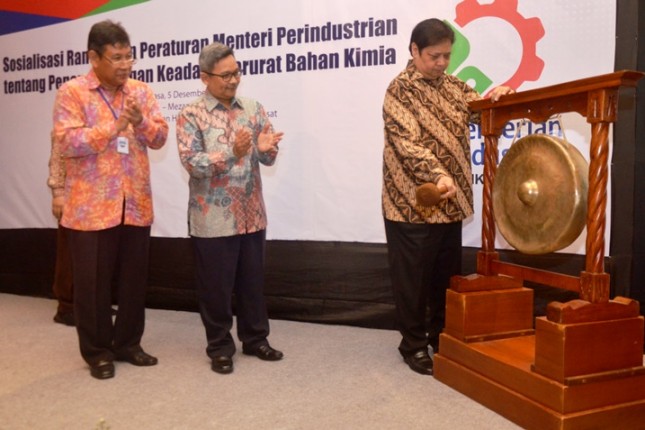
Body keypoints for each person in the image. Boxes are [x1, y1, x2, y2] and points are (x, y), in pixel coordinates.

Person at [381, 18, 514, 375]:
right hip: (411, 203)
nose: (441, 63)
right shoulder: (399, 90)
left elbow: (482, 110)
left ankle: (440, 336)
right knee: (413, 282)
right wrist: (437, 173)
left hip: (449, 203)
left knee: (445, 277)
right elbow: (407, 144)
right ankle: (411, 345)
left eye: (446, 56)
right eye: (434, 56)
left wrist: (496, 98)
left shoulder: (455, 87)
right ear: (414, 51)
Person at [51, 20, 168, 379]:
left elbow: (160, 136)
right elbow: (67, 142)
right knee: (93, 285)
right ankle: (98, 352)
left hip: (134, 202)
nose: (125, 65)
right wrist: (113, 128)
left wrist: (141, 123)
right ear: (94, 57)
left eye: (128, 57)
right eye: (116, 58)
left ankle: (129, 343)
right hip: (91, 207)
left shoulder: (141, 92)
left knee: (134, 280)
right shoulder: (73, 93)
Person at [176, 42, 284, 375]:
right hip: (212, 219)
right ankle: (220, 346)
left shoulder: (253, 108)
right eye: (225, 75)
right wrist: (232, 153)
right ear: (204, 77)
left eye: (236, 72)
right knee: (216, 288)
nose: (233, 80)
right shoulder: (190, 115)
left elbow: (265, 156)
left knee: (253, 283)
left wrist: (266, 151)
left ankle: (255, 339)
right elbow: (192, 163)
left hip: (251, 213)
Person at [47, 132, 75, 327]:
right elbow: (57, 156)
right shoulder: (67, 115)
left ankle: (91, 303)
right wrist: (58, 193)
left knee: (96, 256)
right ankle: (66, 307)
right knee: (70, 254)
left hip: (101, 196)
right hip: (73, 194)